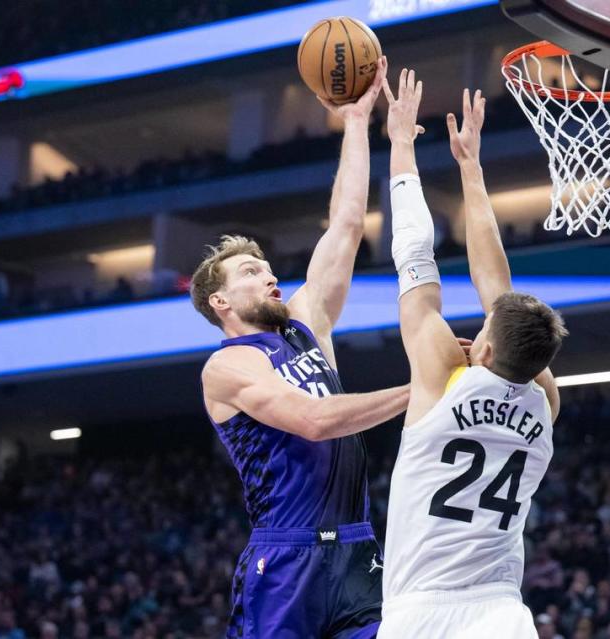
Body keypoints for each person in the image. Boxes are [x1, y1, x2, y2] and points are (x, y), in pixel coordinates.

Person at [194, 57, 409, 639]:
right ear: (220, 302)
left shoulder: (304, 324)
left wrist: (358, 122)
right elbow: (314, 421)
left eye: (266, 266)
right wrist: (421, 389)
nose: (269, 276)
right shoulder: (228, 366)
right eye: (249, 271)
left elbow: (343, 225)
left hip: (358, 549)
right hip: (286, 562)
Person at [375, 69, 566, 638]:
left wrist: (405, 147)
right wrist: (471, 168)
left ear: (482, 345)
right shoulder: (544, 401)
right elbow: (499, 294)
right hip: (501, 613)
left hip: (421, 610)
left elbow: (415, 258)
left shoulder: (441, 375)